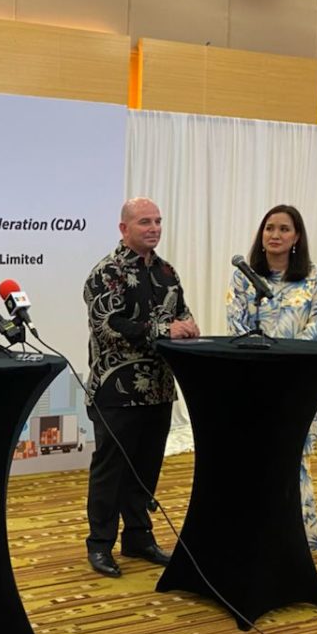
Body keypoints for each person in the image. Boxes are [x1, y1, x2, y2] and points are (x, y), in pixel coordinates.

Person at [82, 197, 199, 577]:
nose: (154, 228)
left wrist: (189, 326)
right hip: (116, 389)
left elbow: (181, 312)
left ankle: (138, 537)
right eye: (145, 222)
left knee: (146, 469)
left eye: (158, 221)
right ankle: (100, 544)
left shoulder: (167, 271)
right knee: (111, 471)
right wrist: (166, 330)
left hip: (159, 388)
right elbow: (108, 325)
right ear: (124, 228)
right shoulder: (107, 272)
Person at [226, 204, 317, 550]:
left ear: (296, 237)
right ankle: (252, 536)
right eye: (269, 228)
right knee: (253, 458)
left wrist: (288, 361)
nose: (275, 235)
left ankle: (296, 540)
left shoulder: (314, 276)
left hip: (298, 381)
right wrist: (262, 362)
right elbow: (236, 324)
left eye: (284, 229)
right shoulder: (244, 276)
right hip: (254, 380)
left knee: (292, 459)